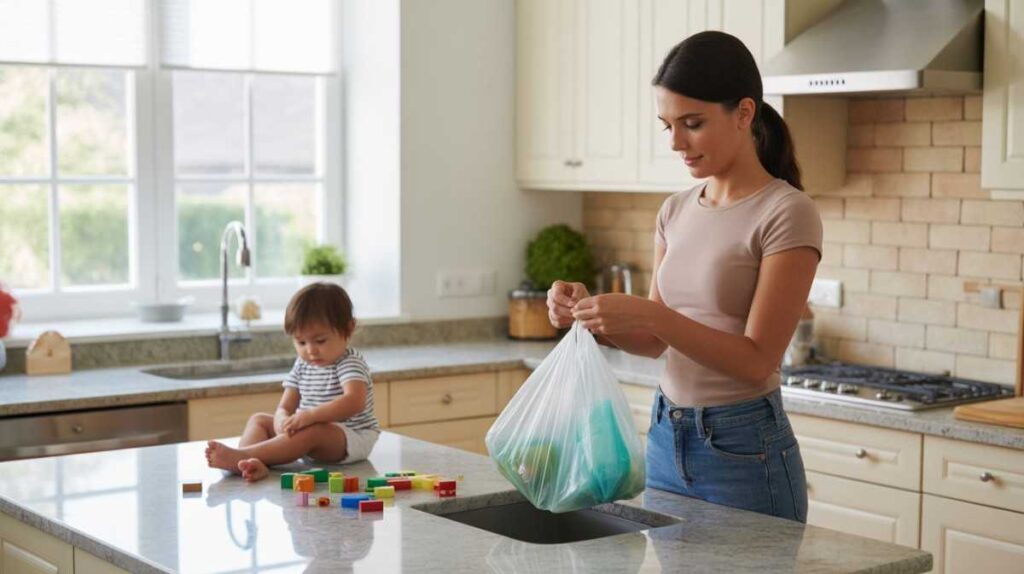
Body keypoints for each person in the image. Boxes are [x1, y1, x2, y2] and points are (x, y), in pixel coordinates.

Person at [547, 31, 821, 522]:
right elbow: (655, 341)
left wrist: (651, 315)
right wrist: (591, 316)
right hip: (665, 435)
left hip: (743, 449)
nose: (676, 142)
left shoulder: (786, 212)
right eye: (668, 126)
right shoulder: (674, 210)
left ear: (744, 112)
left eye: (692, 124)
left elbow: (757, 361)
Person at [206, 282, 380, 481]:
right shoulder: (302, 364)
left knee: (313, 431)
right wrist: (281, 419)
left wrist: (310, 416)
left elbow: (354, 401)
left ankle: (242, 456)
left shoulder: (349, 362)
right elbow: (285, 406)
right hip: (310, 430)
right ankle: (250, 463)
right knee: (259, 420)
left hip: (352, 437)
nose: (311, 350)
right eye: (301, 342)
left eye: (320, 341)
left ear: (349, 328)